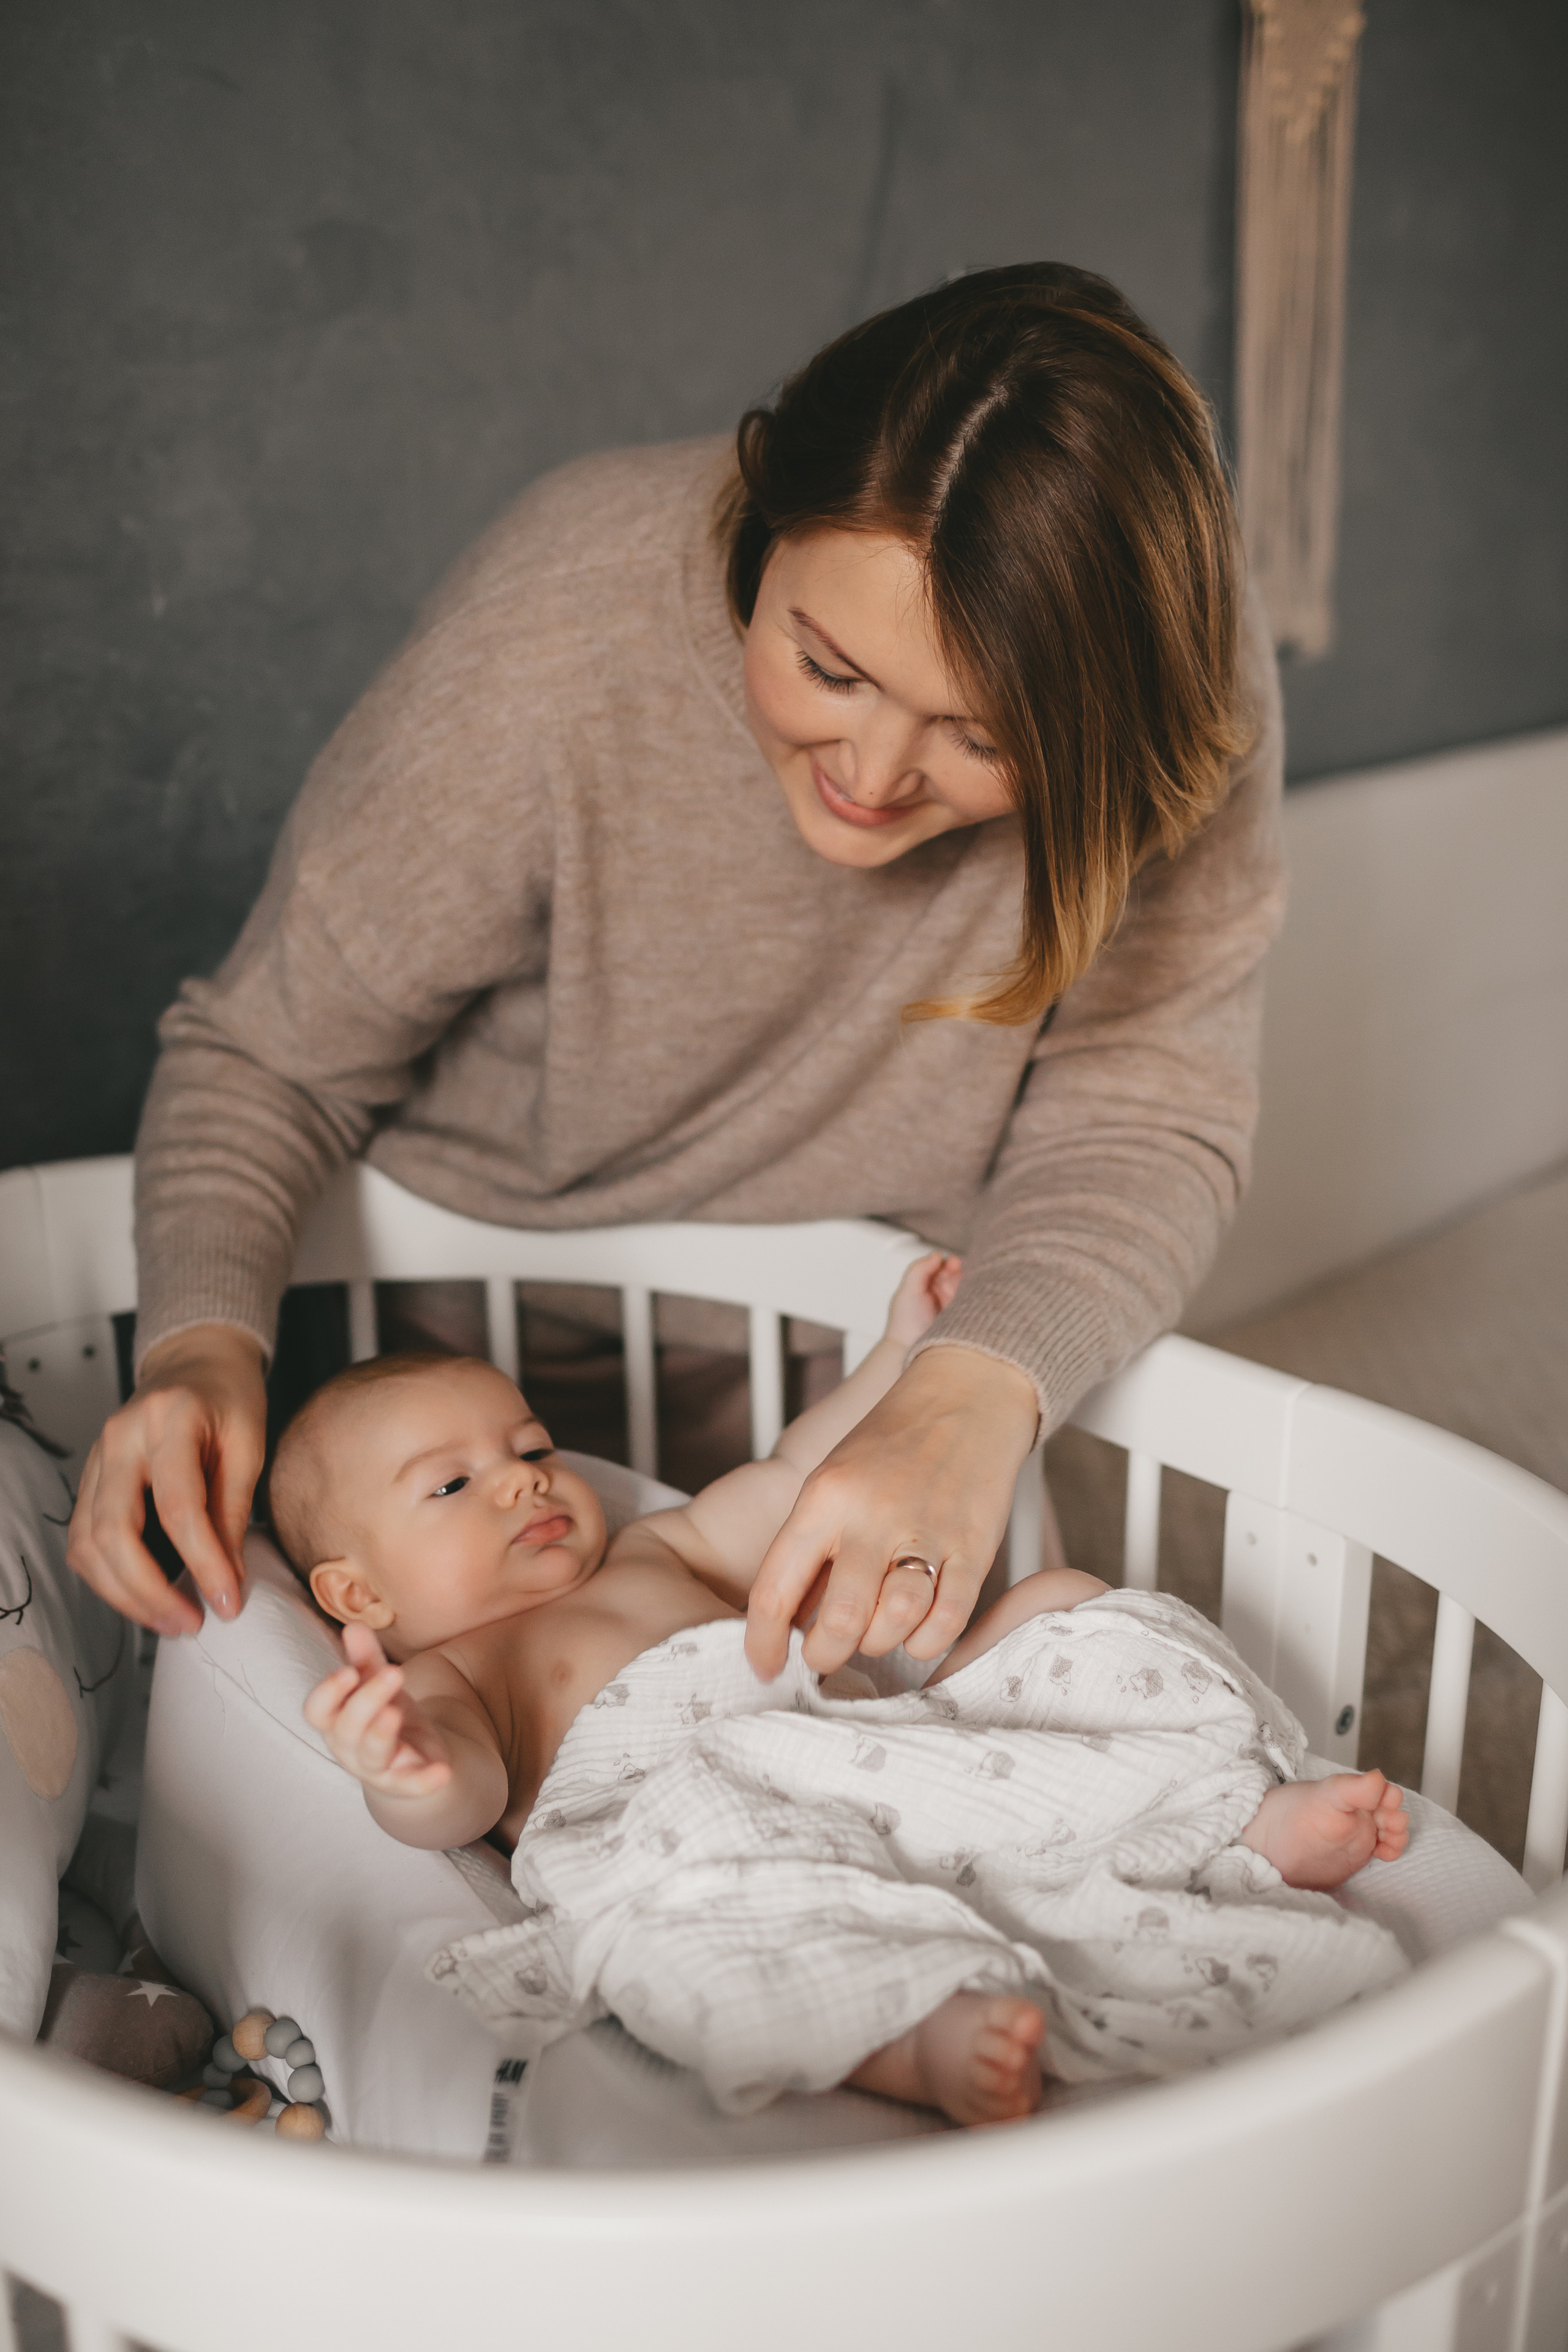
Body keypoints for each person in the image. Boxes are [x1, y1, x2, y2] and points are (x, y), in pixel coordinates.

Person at [67, 260, 1285, 1689]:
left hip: (874, 1371)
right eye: (827, 668)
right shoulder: (559, 629)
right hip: (477, 1377)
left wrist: (969, 1390)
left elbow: (1143, 1116)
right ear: (764, 532)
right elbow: (269, 1054)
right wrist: (198, 1350)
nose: (874, 775)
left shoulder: (1171, 678)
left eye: (980, 737)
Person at [280, 1255, 1408, 2130]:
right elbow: (463, 1800)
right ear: (357, 1593)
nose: (522, 1481)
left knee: (1065, 1609)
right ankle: (914, 2040)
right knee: (686, 1958)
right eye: (454, 1484)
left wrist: (904, 1361)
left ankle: (1231, 1812)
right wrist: (404, 1766)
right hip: (704, 1827)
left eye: (530, 1447)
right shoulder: (451, 1675)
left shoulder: (656, 1550)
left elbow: (795, 1477)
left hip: (888, 1750)